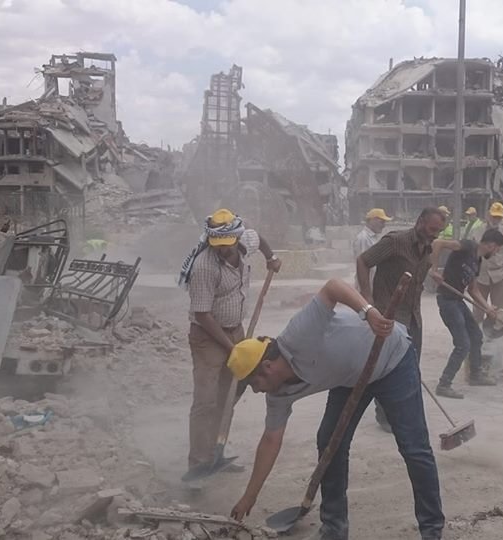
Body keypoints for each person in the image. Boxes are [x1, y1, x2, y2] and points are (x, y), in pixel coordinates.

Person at [227, 279, 444, 540]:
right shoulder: (277, 395)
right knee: (330, 442)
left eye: (254, 383)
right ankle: (334, 527)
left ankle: (432, 529)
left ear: (268, 367)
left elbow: (332, 287)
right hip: (349, 379)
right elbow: (270, 440)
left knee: (414, 447)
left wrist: (369, 312)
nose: (256, 391)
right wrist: (249, 497)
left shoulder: (298, 334)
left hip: (392, 360)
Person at [177, 209, 282, 482]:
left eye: (227, 245)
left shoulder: (245, 240)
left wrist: (271, 258)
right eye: (218, 245)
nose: (222, 250)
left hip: (235, 330)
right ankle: (198, 465)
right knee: (206, 400)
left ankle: (217, 452)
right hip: (207, 337)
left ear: (236, 238)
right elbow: (202, 314)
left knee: (230, 392)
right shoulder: (204, 266)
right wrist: (231, 348)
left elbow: (260, 238)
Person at [357, 207, 446, 432]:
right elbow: (363, 261)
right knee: (388, 366)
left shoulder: (427, 248)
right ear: (420, 221)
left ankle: (402, 411)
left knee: (409, 367)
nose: (435, 235)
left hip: (413, 317)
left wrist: (432, 275)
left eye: (438, 231)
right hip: (390, 315)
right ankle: (384, 415)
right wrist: (367, 299)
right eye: (432, 229)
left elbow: (417, 278)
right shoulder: (395, 241)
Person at [430, 229, 503, 398]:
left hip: (457, 300)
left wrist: (487, 308)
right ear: (491, 245)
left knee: (476, 336)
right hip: (447, 300)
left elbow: (473, 289)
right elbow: (437, 243)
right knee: (463, 344)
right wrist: (434, 270)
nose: (496, 253)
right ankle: (444, 384)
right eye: (497, 249)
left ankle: (475, 375)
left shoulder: (477, 260)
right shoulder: (468, 246)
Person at [470, 202, 503, 323]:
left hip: (499, 276)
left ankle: (494, 331)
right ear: (488, 215)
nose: (496, 220)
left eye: (499, 217)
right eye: (494, 216)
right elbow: (470, 254)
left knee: (499, 309)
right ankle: (477, 330)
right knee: (478, 308)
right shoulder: (477, 231)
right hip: (480, 276)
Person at [352, 208, 392, 290]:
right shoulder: (363, 238)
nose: (384, 225)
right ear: (373, 220)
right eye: (381, 222)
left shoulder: (372, 238)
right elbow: (362, 265)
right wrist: (366, 291)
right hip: (366, 287)